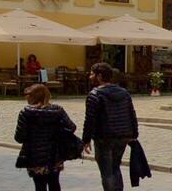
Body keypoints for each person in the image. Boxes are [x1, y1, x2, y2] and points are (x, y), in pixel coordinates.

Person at [81, 62, 139, 191]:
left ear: (99, 76)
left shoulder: (95, 95)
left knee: (107, 172)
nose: (89, 77)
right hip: (123, 135)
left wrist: (86, 139)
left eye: (92, 74)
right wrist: (134, 134)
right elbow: (132, 114)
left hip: (104, 137)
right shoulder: (124, 93)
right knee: (115, 167)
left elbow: (90, 119)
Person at [15, 84, 77, 191]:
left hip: (35, 155)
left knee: (39, 185)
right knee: (54, 183)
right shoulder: (57, 110)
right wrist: (57, 134)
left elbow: (19, 137)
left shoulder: (26, 112)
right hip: (55, 154)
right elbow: (71, 127)